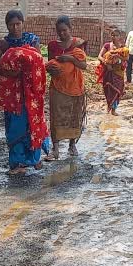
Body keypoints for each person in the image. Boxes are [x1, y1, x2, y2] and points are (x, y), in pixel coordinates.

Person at [0, 9, 51, 175]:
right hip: (12, 93)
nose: (15, 27)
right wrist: (7, 73)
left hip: (30, 90)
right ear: (7, 26)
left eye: (18, 24)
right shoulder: (4, 44)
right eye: (11, 24)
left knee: (33, 121)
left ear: (23, 23)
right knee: (15, 125)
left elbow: (38, 62)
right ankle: (17, 163)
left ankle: (34, 159)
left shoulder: (32, 40)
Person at [46, 15, 88, 160]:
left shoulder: (78, 44)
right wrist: (51, 69)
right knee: (56, 116)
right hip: (58, 86)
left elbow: (84, 65)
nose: (62, 34)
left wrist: (69, 58)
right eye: (59, 31)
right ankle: (55, 149)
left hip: (75, 86)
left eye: (65, 30)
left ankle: (72, 145)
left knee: (74, 116)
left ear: (71, 29)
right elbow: (49, 63)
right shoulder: (52, 45)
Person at [96, 28, 129, 115]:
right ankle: (109, 105)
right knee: (108, 90)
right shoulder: (107, 45)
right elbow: (99, 56)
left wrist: (118, 56)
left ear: (120, 37)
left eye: (116, 35)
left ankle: (114, 109)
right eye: (112, 35)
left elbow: (126, 58)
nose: (114, 37)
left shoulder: (123, 48)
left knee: (118, 90)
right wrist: (106, 63)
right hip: (108, 71)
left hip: (118, 72)